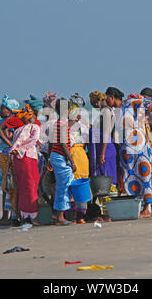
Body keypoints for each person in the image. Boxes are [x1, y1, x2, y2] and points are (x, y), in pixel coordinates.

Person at [116, 92, 152, 218]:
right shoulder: (135, 110)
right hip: (140, 146)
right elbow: (151, 103)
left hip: (134, 147)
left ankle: (146, 207)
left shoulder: (126, 107)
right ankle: (146, 207)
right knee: (144, 177)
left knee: (140, 177)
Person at [0, 94, 19, 226]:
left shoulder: (10, 123)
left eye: (3, 108)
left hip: (6, 158)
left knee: (7, 187)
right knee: (4, 187)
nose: (0, 110)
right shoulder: (1, 123)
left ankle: (7, 216)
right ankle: (6, 215)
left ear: (10, 110)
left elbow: (10, 137)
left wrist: (10, 143)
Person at [9, 105, 41, 227]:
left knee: (22, 187)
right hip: (27, 157)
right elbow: (34, 140)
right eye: (33, 115)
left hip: (17, 160)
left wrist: (17, 150)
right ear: (28, 118)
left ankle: (24, 215)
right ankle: (33, 216)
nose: (35, 117)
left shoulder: (18, 130)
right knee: (32, 185)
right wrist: (21, 150)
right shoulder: (34, 127)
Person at [48, 99, 76, 225]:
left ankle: (59, 214)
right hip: (60, 157)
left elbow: (53, 142)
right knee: (64, 186)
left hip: (56, 156)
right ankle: (60, 216)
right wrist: (72, 161)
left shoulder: (58, 123)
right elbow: (64, 145)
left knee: (62, 185)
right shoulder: (62, 124)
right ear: (67, 110)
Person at [88, 91, 118, 188]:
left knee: (106, 177)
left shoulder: (106, 112)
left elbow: (106, 133)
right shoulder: (108, 111)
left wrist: (102, 153)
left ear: (97, 102)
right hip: (104, 148)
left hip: (105, 150)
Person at [68, 93, 90, 224]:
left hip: (73, 156)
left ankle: (74, 217)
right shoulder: (84, 125)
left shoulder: (67, 126)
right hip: (82, 155)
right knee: (81, 186)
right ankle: (80, 216)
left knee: (72, 186)